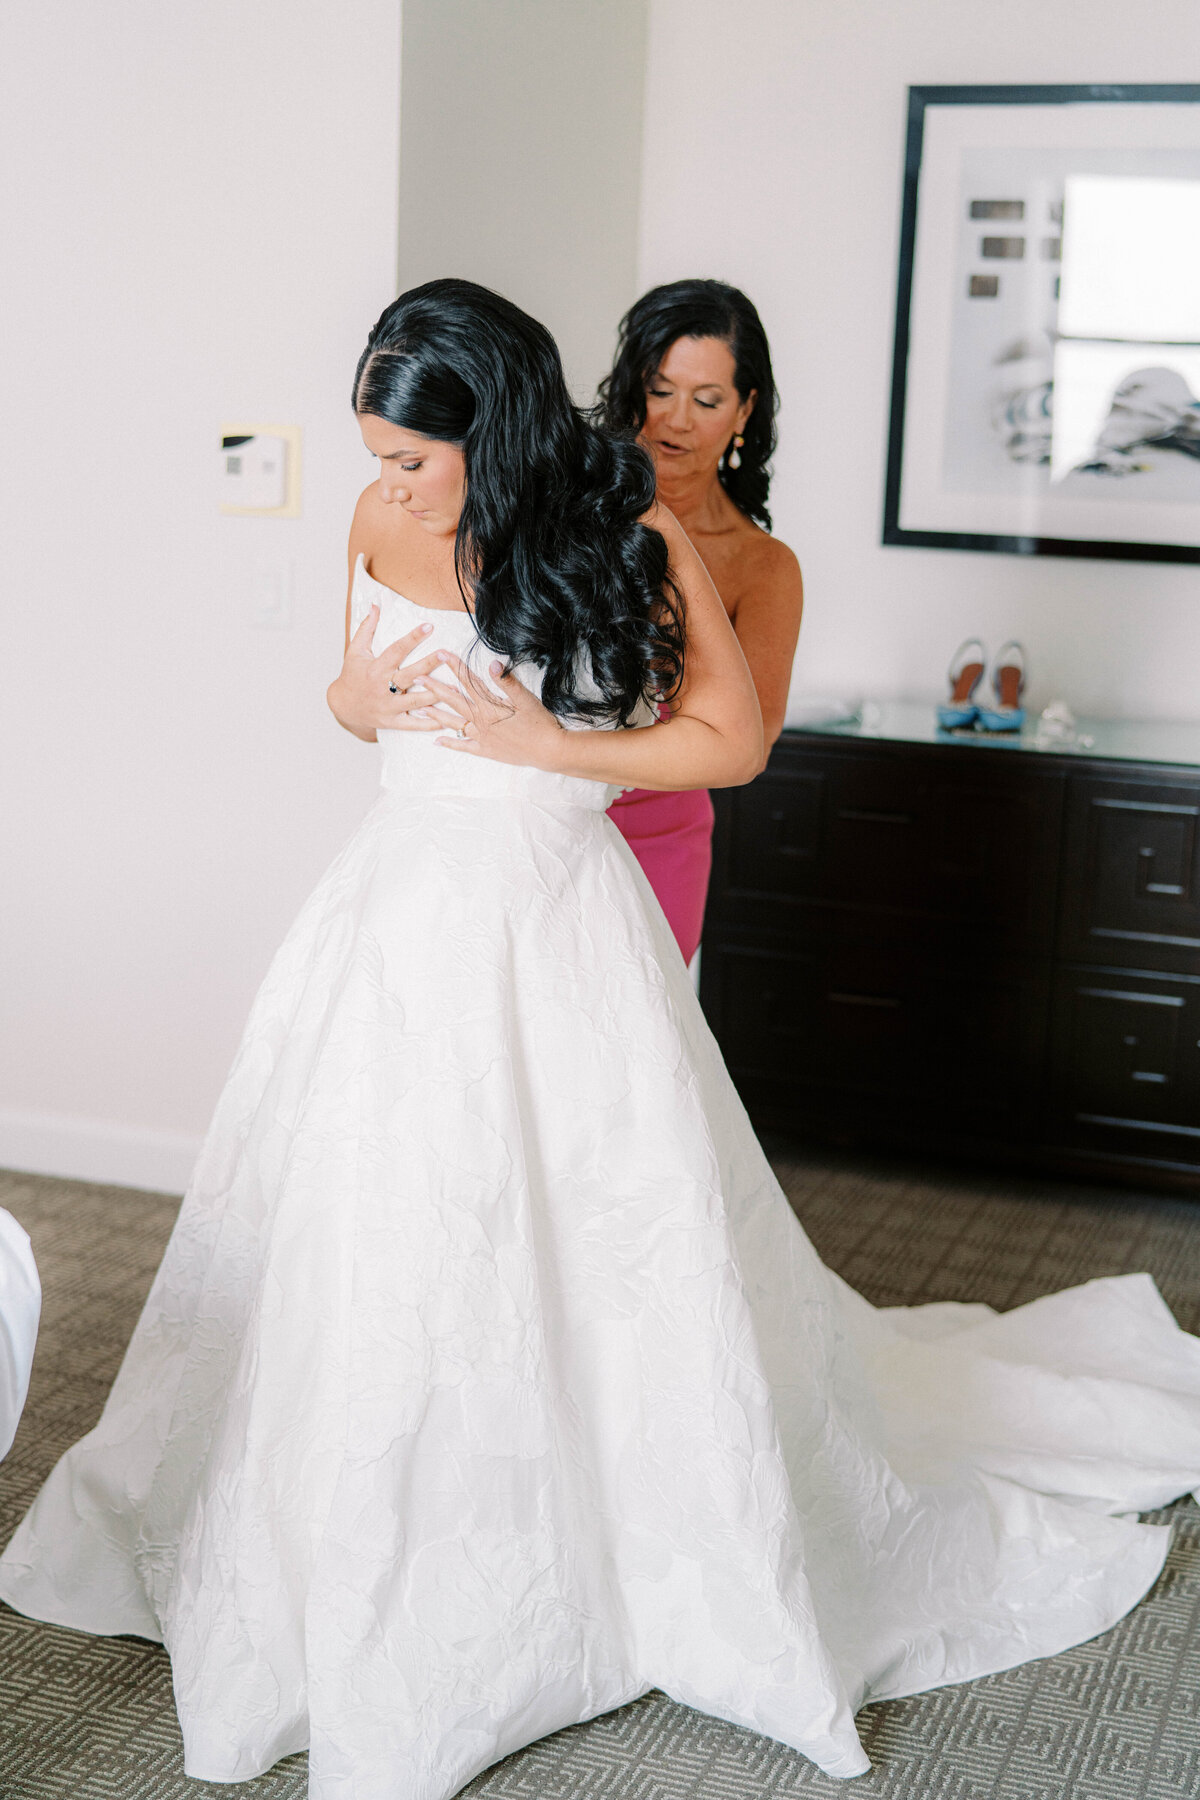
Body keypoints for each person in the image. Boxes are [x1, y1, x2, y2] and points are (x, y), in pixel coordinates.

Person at [3, 280, 1200, 1800]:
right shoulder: (374, 528)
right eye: (375, 454)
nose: (386, 483)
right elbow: (356, 697)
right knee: (381, 1226)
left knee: (588, 1226)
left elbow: (737, 741)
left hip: (562, 924)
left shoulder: (628, 540)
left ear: (491, 430)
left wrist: (548, 744)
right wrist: (353, 694)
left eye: (410, 459)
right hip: (391, 921)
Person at [598, 280, 804, 963]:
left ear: (744, 409)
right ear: (631, 390)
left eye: (707, 400)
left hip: (661, 835)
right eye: (660, 390)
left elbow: (753, 740)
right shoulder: (570, 512)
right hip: (541, 812)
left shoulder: (762, 566)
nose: (678, 420)